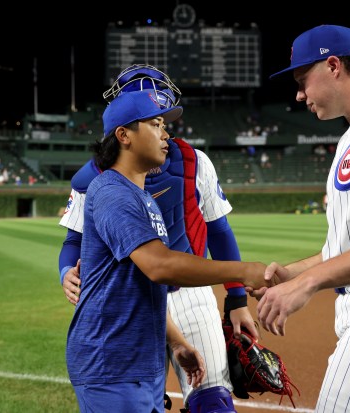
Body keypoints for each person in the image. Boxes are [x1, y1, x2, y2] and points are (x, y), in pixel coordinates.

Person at [59, 64, 259, 412]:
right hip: (133, 303)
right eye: (155, 123)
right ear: (123, 132)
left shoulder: (190, 165)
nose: (163, 131)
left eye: (163, 122)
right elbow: (155, 264)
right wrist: (66, 272)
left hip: (179, 295)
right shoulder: (105, 185)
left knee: (210, 398)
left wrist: (236, 299)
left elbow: (218, 230)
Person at [257, 24, 350, 412]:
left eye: (302, 80)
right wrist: (293, 274)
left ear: (333, 65)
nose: (298, 94)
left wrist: (309, 283)